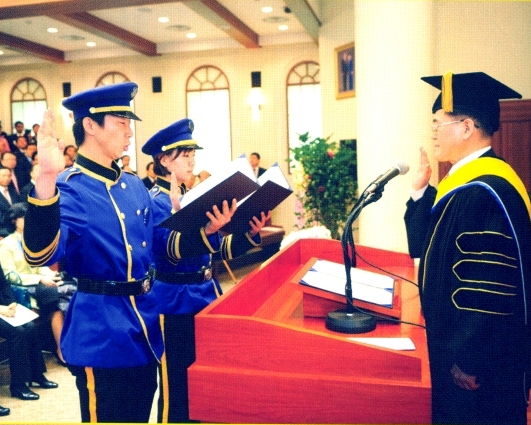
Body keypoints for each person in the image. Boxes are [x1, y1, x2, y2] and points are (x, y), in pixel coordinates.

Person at [22, 82, 170, 423]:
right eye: (121, 122)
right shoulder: (70, 187)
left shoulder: (133, 184)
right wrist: (46, 179)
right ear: (90, 124)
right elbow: (40, 255)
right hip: (102, 330)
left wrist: (209, 229)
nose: (129, 131)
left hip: (144, 325)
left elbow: (159, 248)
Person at [404, 71, 530, 425]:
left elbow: (487, 288)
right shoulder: (465, 185)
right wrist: (421, 191)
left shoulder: (486, 192)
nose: (432, 132)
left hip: (476, 369)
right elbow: (425, 247)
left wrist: (471, 360)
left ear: (466, 128)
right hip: (455, 352)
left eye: (437, 123)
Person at [142, 118, 271, 423]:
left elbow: (216, 251)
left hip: (206, 294)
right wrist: (203, 227)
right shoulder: (155, 201)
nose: (191, 161)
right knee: (177, 385)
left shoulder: (193, 196)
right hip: (173, 301)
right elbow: (170, 250)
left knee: (206, 380)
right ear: (163, 160)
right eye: (184, 155)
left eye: (192, 155)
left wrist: (249, 234)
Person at [0, 202, 75, 365]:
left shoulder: (29, 240)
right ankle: (61, 350)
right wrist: (39, 279)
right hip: (22, 287)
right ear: (14, 220)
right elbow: (10, 275)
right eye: (24, 217)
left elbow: (39, 265)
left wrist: (49, 275)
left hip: (39, 285)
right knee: (60, 296)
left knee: (65, 292)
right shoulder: (6, 244)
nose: (28, 220)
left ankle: (66, 348)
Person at [0, 259, 58, 402]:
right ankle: (18, 385)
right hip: (1, 309)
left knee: (30, 327)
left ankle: (36, 375)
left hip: (5, 307)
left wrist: (12, 302)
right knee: (17, 332)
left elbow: (4, 284)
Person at [0, 166, 22, 237]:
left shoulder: (13, 192)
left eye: (9, 176)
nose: (7, 178)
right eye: (3, 176)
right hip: (2, 231)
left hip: (15, 231)